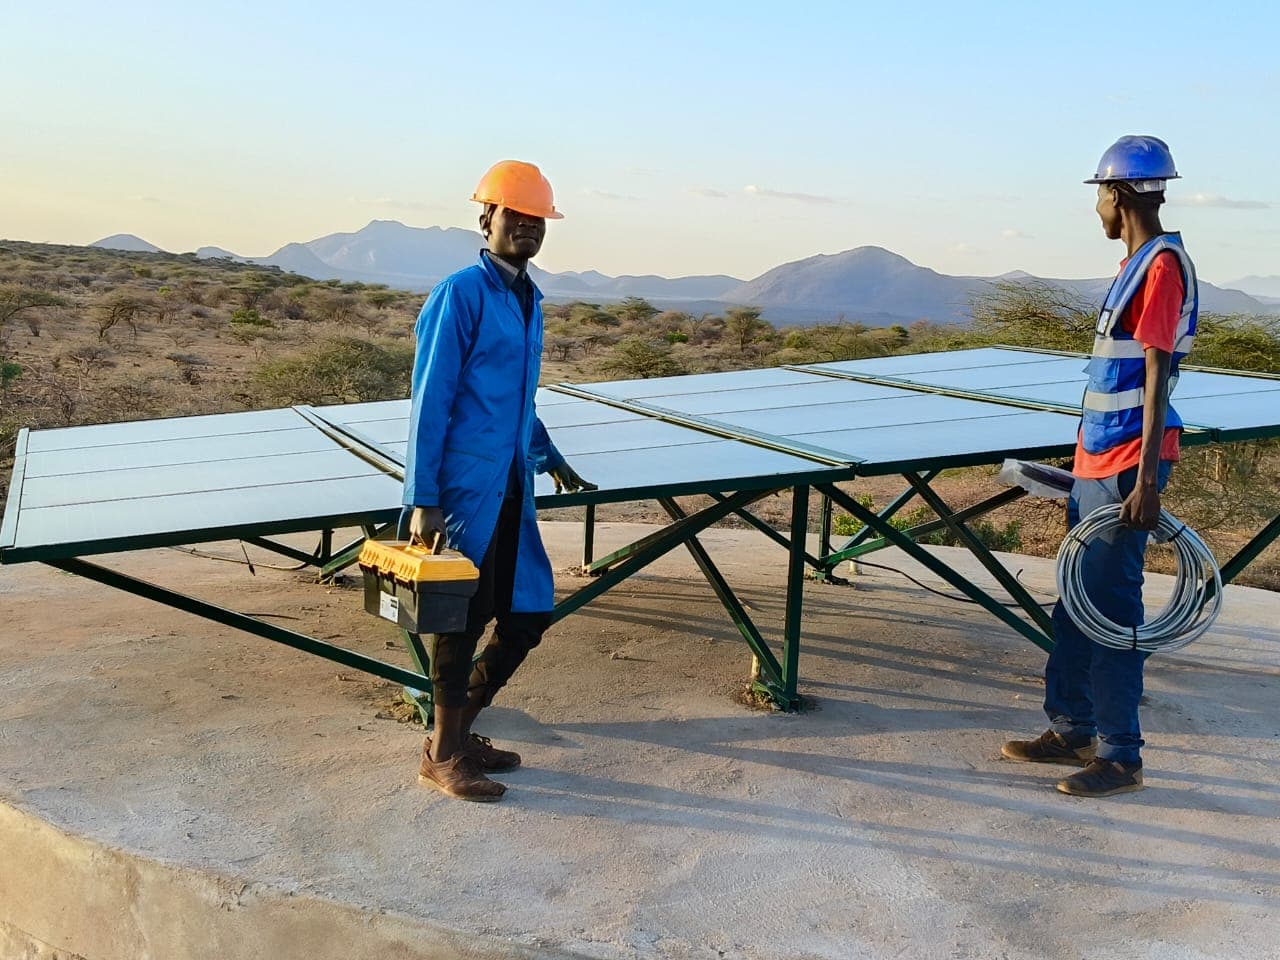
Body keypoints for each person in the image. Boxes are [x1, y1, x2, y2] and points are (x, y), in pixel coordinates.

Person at [1002, 136, 1197, 798]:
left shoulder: (1162, 267)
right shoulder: (1136, 264)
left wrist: (1143, 480)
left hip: (1126, 466)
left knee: (1111, 610)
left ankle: (1121, 755)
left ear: (1116, 195)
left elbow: (1156, 369)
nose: (1098, 212)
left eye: (1099, 198)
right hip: (1099, 458)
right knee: (1076, 605)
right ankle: (1073, 728)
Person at [403, 160, 596, 802]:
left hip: (512, 482)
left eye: (536, 219)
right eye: (515, 215)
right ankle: (444, 753)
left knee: (526, 614)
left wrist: (552, 457)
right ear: (485, 217)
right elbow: (431, 400)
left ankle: (456, 735)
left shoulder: (527, 297)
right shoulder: (460, 293)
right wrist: (422, 497)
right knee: (460, 618)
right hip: (462, 489)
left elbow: (520, 400)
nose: (526, 228)